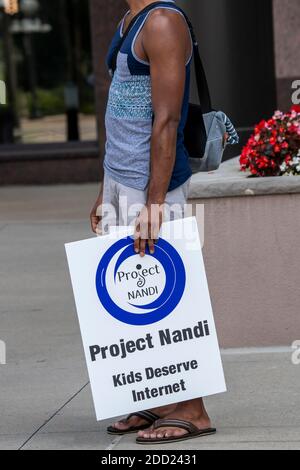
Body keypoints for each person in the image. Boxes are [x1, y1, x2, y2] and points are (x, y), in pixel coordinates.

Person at [90, 0, 220, 445]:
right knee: (133, 295)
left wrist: (154, 204)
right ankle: (157, 397)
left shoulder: (163, 22)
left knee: (169, 299)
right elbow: (123, 110)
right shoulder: (131, 18)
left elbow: (166, 122)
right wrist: (104, 189)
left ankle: (193, 408)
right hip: (122, 180)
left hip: (151, 188)